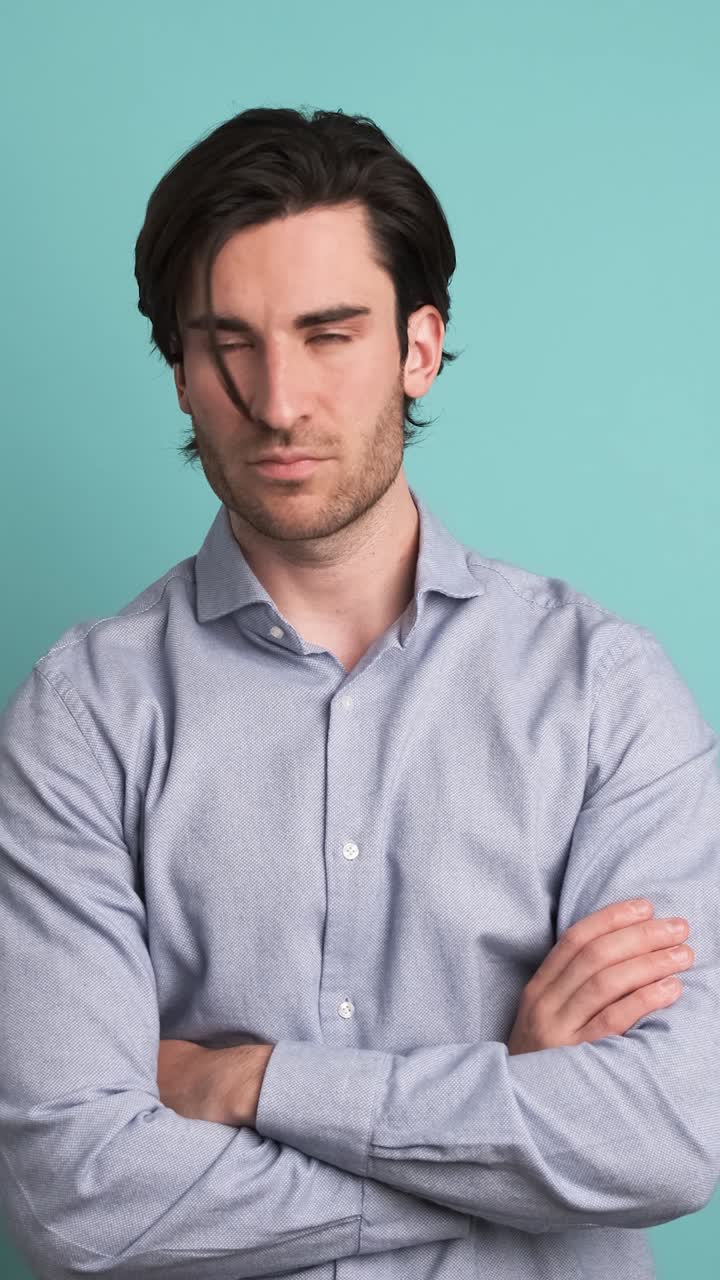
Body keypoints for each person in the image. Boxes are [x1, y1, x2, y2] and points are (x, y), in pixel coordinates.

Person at [0, 106, 718, 1280]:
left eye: (329, 334)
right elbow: (82, 1198)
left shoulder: (606, 694)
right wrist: (511, 1131)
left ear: (418, 346)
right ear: (180, 368)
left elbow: (667, 1137)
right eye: (228, 341)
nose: (277, 401)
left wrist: (247, 1081)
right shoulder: (81, 716)